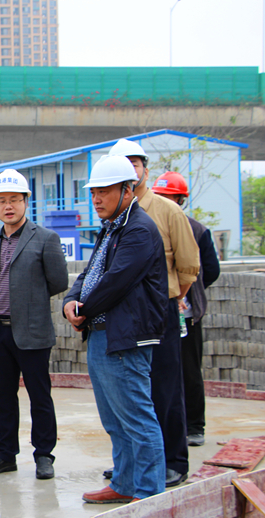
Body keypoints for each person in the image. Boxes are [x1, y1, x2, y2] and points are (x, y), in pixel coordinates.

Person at [63, 155, 168, 504]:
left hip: (126, 338)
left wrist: (82, 310)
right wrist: (71, 300)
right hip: (103, 334)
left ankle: (149, 494)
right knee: (115, 420)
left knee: (137, 418)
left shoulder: (138, 229)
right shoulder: (111, 228)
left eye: (104, 191)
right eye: (93, 192)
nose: (97, 199)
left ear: (128, 189)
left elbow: (115, 282)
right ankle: (124, 483)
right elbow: (90, 273)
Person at [108, 139, 200, 488]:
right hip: (123, 316)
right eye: (122, 164)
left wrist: (168, 298)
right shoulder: (112, 215)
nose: (130, 170)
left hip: (159, 314)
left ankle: (173, 461)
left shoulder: (167, 211)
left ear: (144, 169)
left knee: (165, 388)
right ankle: (134, 464)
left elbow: (189, 267)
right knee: (129, 394)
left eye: (135, 163)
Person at [0, 169, 69, 480]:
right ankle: (5, 454)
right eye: (1, 200)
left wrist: (29, 302)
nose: (8, 206)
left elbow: (58, 281)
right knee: (3, 398)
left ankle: (44, 455)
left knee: (40, 397)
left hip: (32, 331)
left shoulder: (45, 238)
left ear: (26, 202)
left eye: (14, 199)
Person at [151, 171, 221, 448]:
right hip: (157, 312)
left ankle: (194, 426)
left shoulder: (197, 230)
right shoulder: (148, 226)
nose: (165, 202)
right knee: (160, 373)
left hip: (186, 314)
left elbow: (210, 270)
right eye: (160, 197)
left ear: (181, 200)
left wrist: (186, 291)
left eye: (170, 197)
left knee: (189, 371)